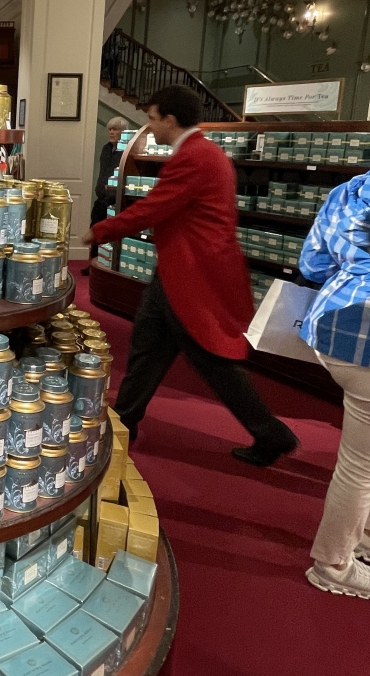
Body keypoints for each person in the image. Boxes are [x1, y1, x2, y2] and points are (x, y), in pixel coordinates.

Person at [83, 84, 298, 465]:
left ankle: (271, 433)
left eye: (153, 119)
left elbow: (154, 207)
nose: (150, 127)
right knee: (149, 348)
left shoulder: (194, 158)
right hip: (181, 272)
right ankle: (124, 421)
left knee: (209, 360)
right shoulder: (207, 153)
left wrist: (99, 231)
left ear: (170, 119)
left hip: (191, 276)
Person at [298, 169, 370, 598]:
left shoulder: (351, 189)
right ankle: (334, 564)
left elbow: (313, 264)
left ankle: (362, 537)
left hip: (333, 329)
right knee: (360, 465)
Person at [83, 116, 129, 273]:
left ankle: (107, 267)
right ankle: (93, 265)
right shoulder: (106, 149)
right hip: (101, 199)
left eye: (115, 129)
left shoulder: (125, 153)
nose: (111, 132)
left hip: (114, 201)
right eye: (110, 129)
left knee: (109, 236)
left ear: (123, 132)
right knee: (95, 231)